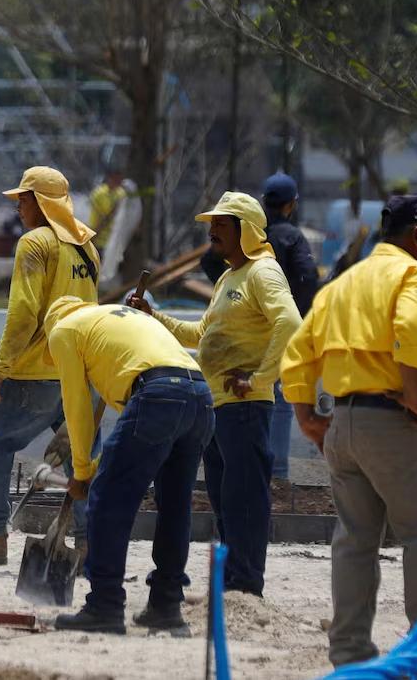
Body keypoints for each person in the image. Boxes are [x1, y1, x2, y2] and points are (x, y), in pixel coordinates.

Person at [281, 192, 417, 667]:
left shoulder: (344, 282)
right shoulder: (416, 274)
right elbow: (413, 325)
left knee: (356, 540)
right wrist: (416, 392)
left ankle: (350, 653)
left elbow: (298, 352)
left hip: (343, 424)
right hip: (393, 421)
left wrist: (306, 417)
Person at [141, 191, 300, 598]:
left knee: (244, 498)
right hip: (218, 406)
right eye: (212, 224)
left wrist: (262, 377)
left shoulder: (263, 272)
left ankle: (247, 584)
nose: (212, 231)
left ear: (245, 230)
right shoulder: (231, 277)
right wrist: (154, 317)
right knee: (225, 499)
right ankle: (233, 584)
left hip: (245, 404)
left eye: (221, 224)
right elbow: (202, 335)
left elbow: (290, 322)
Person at [0, 166, 101, 565]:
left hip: (35, 371)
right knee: (82, 457)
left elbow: (24, 311)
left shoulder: (35, 243)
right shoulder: (86, 246)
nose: (17, 206)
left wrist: (1, 366)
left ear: (41, 202)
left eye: (23, 199)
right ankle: (90, 544)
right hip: (80, 370)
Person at [46, 295, 213, 633]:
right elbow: (135, 433)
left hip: (157, 395)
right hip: (199, 398)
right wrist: (95, 465)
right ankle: (166, 604)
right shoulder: (119, 322)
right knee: (175, 506)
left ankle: (104, 606)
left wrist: (81, 473)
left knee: (107, 500)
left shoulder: (64, 329)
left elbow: (76, 409)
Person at [259, 172, 320, 481]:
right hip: (283, 325)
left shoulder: (250, 233)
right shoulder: (291, 236)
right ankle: (278, 472)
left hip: (250, 323)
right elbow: (308, 276)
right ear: (291, 204)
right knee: (280, 396)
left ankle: (253, 470)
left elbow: (210, 261)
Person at [88, 173, 127, 251]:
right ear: (110, 178)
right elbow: (99, 215)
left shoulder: (121, 194)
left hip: (113, 239)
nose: (118, 182)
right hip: (98, 236)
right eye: (115, 179)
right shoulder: (99, 193)